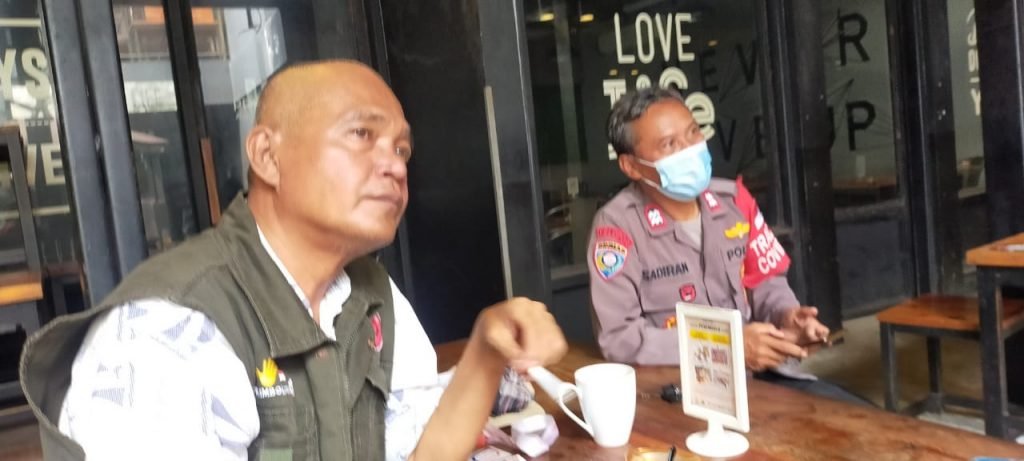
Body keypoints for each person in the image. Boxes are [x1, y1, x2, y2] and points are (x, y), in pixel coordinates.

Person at [20, 60, 567, 461]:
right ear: (267, 156)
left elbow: (423, 451)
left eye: (401, 149)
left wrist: (485, 348)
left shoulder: (367, 293)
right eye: (362, 134)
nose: (395, 166)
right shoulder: (167, 334)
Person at [587, 87, 865, 404]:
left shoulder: (734, 200)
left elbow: (764, 281)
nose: (689, 149)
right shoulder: (617, 227)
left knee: (856, 417)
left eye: (693, 132)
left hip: (757, 377)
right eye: (669, 144)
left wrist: (787, 315)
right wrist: (727, 346)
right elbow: (619, 339)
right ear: (631, 166)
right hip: (681, 391)